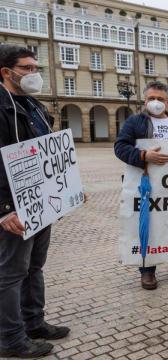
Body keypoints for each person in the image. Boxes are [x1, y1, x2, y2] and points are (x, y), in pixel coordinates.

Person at [0, 45, 70, 358]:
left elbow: (50, 150)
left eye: (35, 68)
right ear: (6, 72)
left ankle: (33, 322)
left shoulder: (35, 106)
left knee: (34, 267)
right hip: (13, 207)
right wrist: (3, 210)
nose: (34, 74)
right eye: (27, 68)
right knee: (11, 273)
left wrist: (64, 191)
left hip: (41, 202)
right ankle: (10, 339)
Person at [114, 81, 168, 290]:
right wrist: (143, 155)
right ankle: (147, 270)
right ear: (145, 101)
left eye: (160, 99)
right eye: (151, 98)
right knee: (148, 226)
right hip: (147, 186)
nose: (156, 102)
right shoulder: (135, 122)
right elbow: (120, 147)